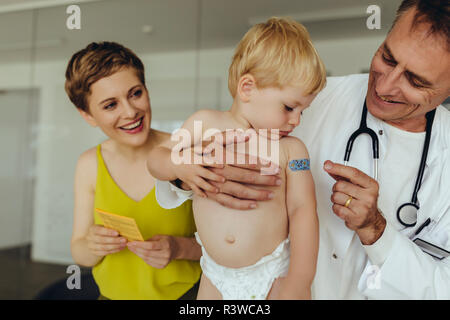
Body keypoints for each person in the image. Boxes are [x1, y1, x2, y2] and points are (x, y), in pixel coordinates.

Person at [156, 0, 450, 299]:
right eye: (387, 57)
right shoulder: (307, 94)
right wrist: (191, 172)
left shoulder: (293, 128)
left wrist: (377, 231)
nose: (386, 86)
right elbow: (174, 162)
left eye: (415, 80)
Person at [148, 18, 326, 299]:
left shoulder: (293, 151)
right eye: (290, 107)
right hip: (214, 274)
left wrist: (301, 280)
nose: (296, 120)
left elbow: (303, 211)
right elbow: (156, 159)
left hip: (271, 274)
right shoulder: (203, 123)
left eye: (302, 111)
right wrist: (177, 164)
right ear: (247, 88)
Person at [65, 42, 202, 300]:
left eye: (135, 93)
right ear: (88, 116)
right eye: (110, 105)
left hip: (187, 297)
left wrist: (179, 248)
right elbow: (79, 249)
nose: (130, 112)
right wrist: (95, 245)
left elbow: (227, 247)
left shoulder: (186, 152)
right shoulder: (89, 164)